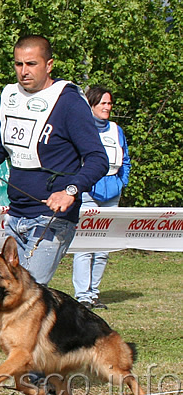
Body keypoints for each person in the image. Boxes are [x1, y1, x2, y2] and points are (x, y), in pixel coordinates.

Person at [0, 35, 109, 286]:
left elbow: (98, 159)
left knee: (23, 295)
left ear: (49, 65)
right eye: (18, 64)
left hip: (50, 219)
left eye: (31, 64)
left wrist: (70, 190)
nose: (24, 71)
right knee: (5, 294)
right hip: (16, 216)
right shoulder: (10, 96)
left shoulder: (68, 102)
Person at [72, 86, 131, 309]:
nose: (107, 107)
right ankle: (82, 296)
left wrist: (121, 182)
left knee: (103, 247)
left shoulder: (117, 130)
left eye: (109, 103)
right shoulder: (81, 129)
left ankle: (94, 293)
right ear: (91, 105)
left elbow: (125, 160)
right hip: (88, 192)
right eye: (102, 103)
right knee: (85, 246)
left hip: (112, 194)